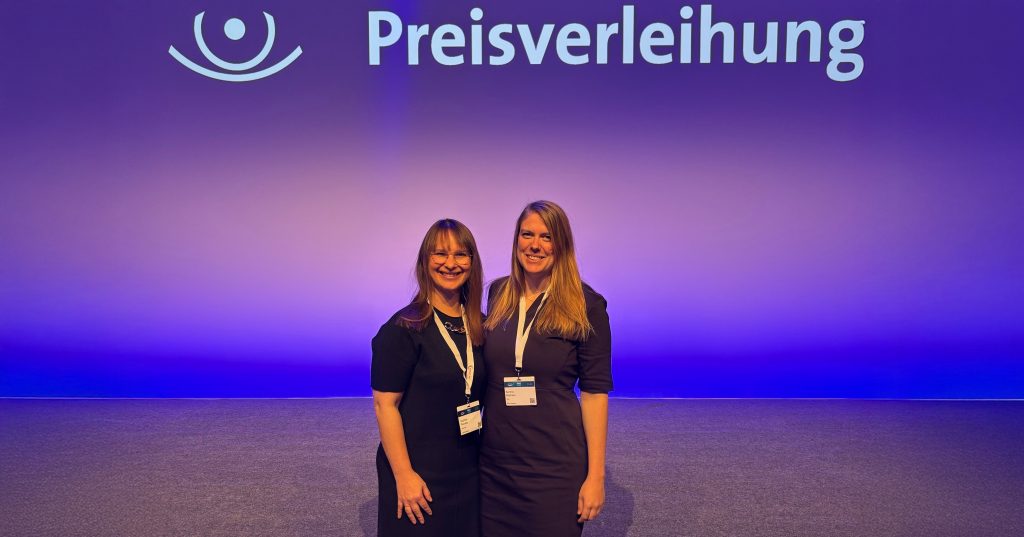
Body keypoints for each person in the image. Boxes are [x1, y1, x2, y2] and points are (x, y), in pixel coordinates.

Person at [480, 200, 613, 536]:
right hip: (495, 464)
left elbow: (595, 394)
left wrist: (595, 477)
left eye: (546, 237)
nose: (535, 245)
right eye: (527, 234)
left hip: (554, 466)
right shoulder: (498, 293)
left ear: (561, 244)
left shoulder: (586, 305)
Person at [371, 219, 486, 537]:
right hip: (417, 473)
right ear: (425, 260)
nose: (451, 263)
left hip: (468, 470)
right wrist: (404, 475)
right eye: (440, 253)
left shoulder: (480, 326)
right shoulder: (403, 329)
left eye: (460, 254)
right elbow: (384, 406)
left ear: (472, 262)